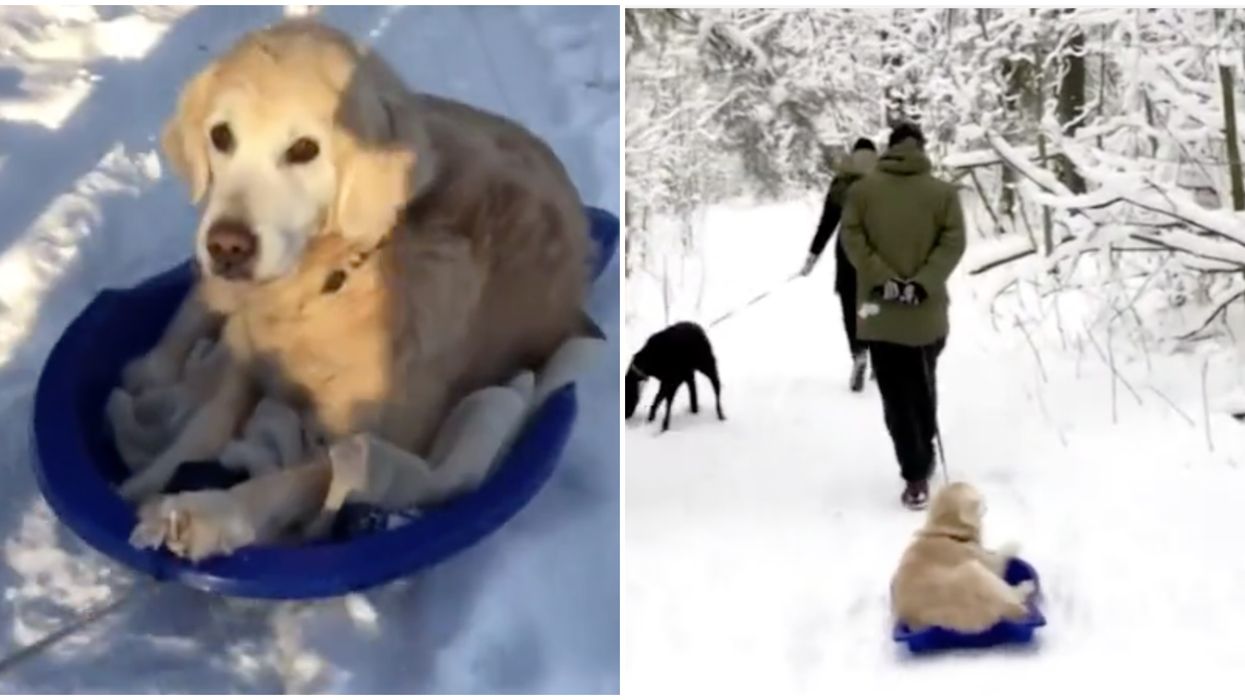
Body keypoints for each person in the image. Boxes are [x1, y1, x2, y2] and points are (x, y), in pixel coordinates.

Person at [839, 122, 966, 510]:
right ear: (922, 148)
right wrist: (922, 282)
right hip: (928, 313)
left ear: (888, 148)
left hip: (878, 312)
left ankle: (914, 475)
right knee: (923, 384)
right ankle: (924, 450)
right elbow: (954, 242)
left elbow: (852, 240)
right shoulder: (943, 193)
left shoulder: (861, 191)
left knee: (897, 396)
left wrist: (885, 280)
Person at [800, 138, 878, 392]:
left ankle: (858, 352)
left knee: (849, 303)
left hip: (847, 253)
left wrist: (812, 257)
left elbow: (827, 224)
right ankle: (876, 352)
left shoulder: (842, 183)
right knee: (871, 304)